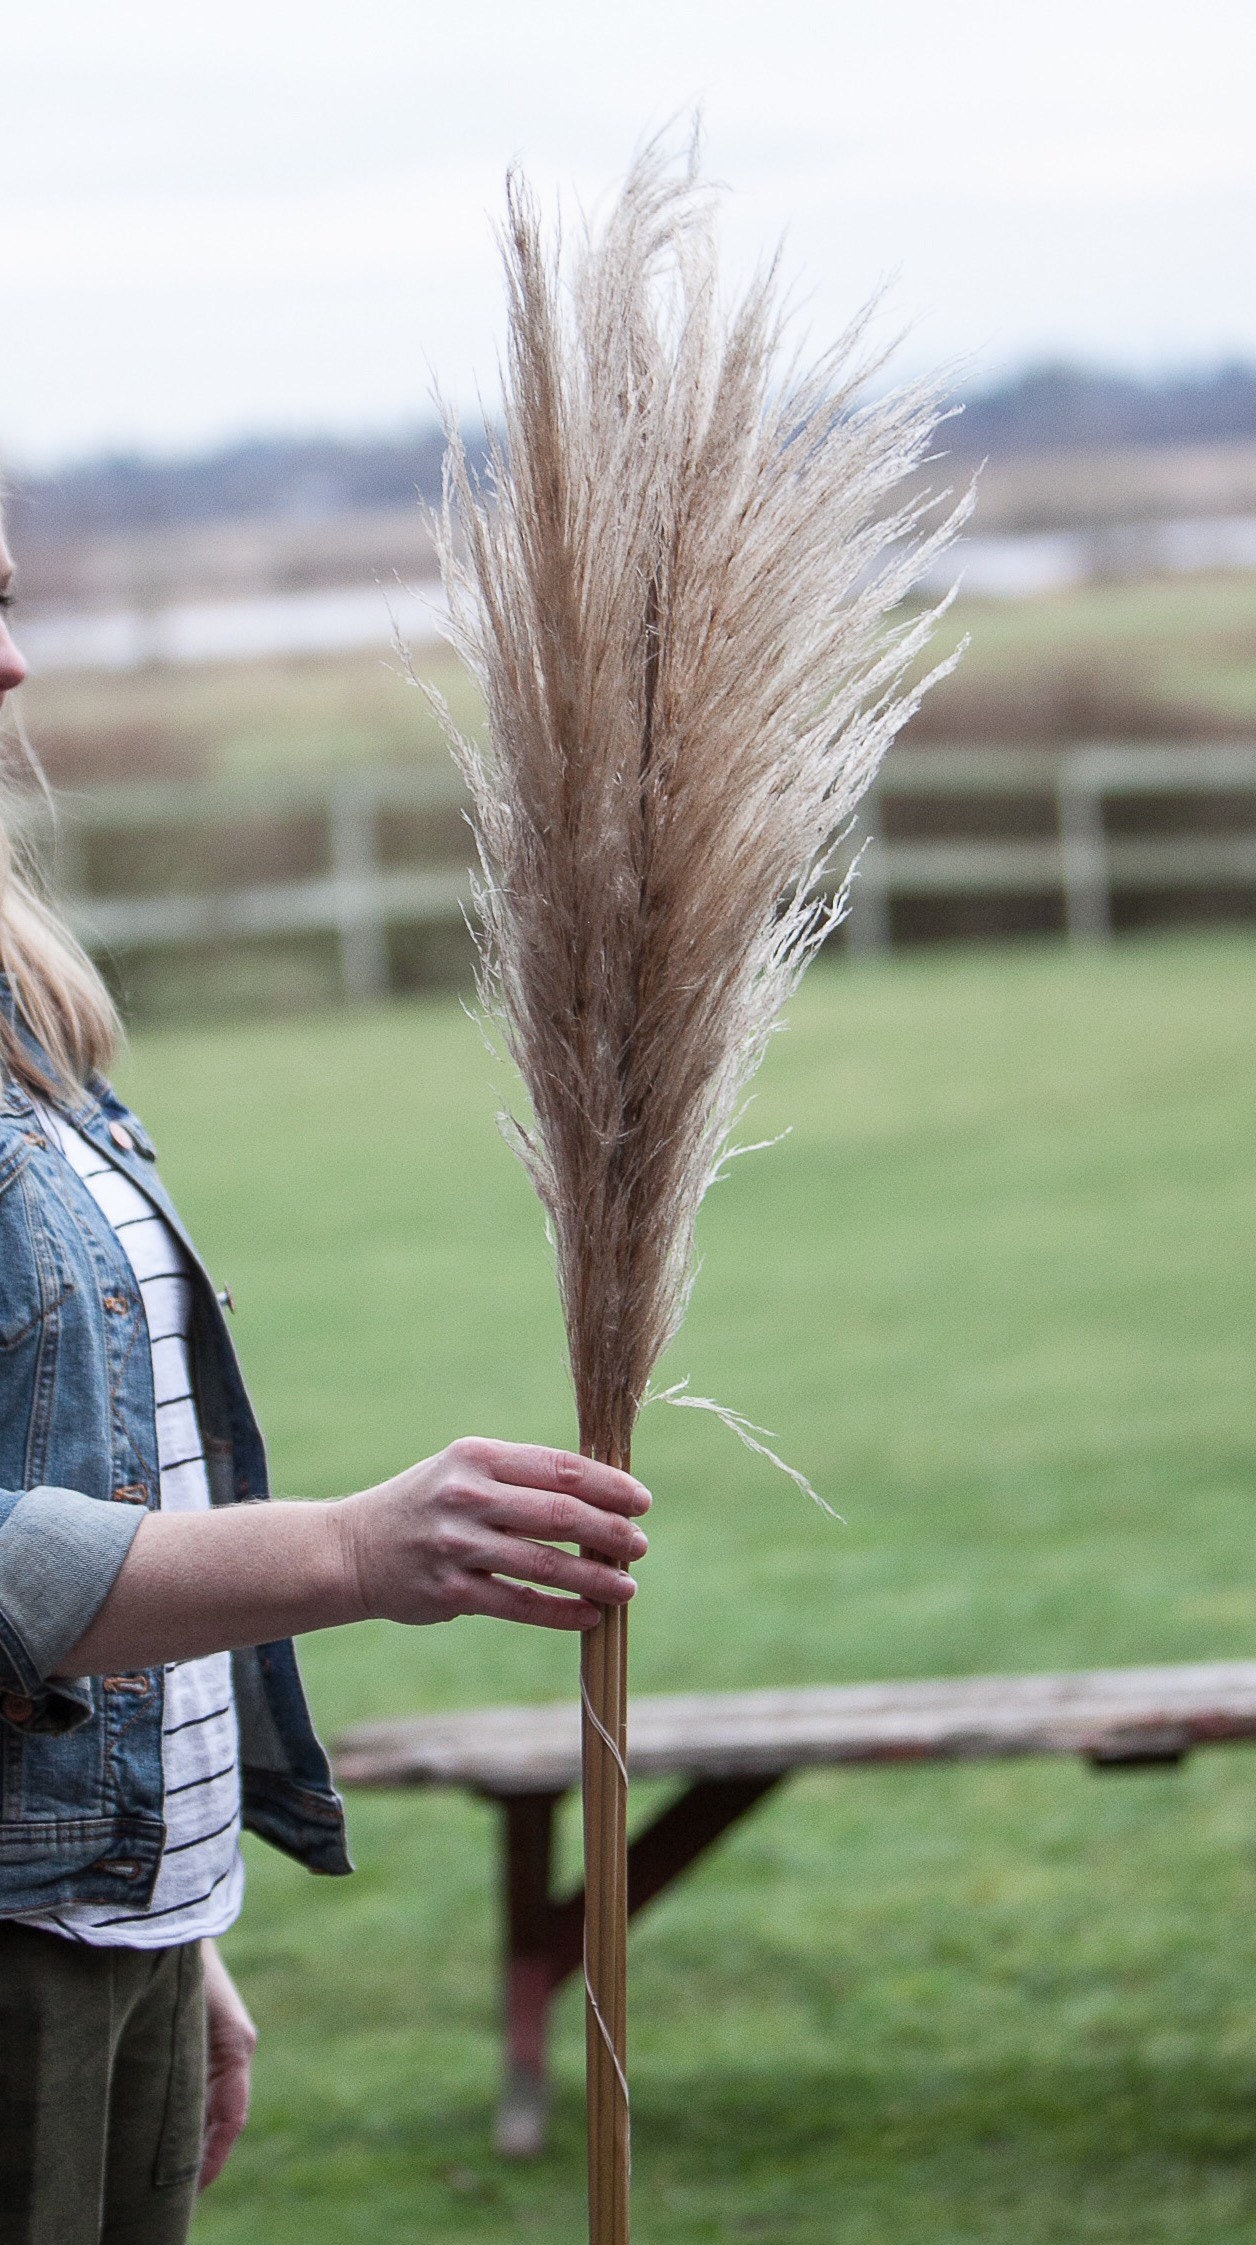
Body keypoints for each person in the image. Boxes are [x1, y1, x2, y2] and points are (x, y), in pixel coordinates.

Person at [0, 524, 650, 2245]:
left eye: (1, 600)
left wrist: (173, 1907)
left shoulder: (26, 1021)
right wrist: (355, 1553)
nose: (11, 664)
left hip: (94, 1921)